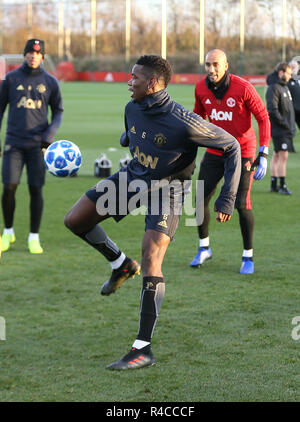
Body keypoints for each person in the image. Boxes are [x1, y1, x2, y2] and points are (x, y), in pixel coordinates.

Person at [64, 54, 241, 370]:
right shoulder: (132, 107)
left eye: (134, 78)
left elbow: (231, 146)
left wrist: (226, 199)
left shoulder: (185, 122)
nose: (128, 82)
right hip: (133, 177)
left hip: (169, 190)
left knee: (151, 256)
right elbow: (131, 134)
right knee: (75, 220)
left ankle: (142, 348)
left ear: (153, 83)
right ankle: (120, 265)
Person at [190, 49, 271, 275]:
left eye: (215, 64)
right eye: (207, 64)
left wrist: (263, 153)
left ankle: (248, 256)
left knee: (241, 204)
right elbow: (198, 119)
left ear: (226, 65)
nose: (211, 69)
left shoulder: (243, 87)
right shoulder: (200, 88)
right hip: (215, 151)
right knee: (199, 198)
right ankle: (204, 247)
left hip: (243, 152)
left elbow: (263, 118)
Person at [0, 39, 63, 254]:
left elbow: (58, 112)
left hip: (38, 146)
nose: (33, 56)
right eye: (30, 52)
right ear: (25, 54)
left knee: (35, 189)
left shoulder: (51, 82)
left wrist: (49, 138)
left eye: (38, 53)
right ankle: (7, 232)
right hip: (13, 143)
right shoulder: (10, 78)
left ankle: (33, 237)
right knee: (9, 187)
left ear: (43, 56)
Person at [266, 62, 296, 195]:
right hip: (280, 129)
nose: (290, 76)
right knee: (283, 156)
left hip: (284, 129)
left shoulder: (284, 87)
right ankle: (282, 186)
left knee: (278, 155)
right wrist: (284, 124)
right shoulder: (274, 88)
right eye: (288, 73)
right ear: (281, 73)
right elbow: (272, 110)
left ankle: (273, 184)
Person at [288, 59, 300, 136]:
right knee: (290, 132)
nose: (294, 69)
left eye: (295, 67)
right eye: (292, 67)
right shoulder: (286, 80)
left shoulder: (297, 79)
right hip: (291, 111)